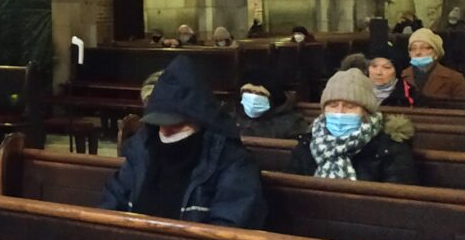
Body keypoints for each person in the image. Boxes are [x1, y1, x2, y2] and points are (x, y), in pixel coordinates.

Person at [100, 56, 265, 227]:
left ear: (201, 121)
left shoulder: (231, 161)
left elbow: (230, 229)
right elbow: (110, 207)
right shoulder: (141, 151)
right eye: (159, 124)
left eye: (176, 125)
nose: (165, 131)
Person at [289, 67, 416, 184]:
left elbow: (399, 195)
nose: (340, 112)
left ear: (366, 112)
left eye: (350, 106)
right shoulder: (307, 144)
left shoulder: (390, 148)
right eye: (333, 106)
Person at [232, 69, 306, 140]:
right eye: (248, 92)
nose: (253, 97)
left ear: (273, 98)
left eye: (260, 93)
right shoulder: (232, 119)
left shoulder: (293, 124)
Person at [401, 28, 465, 102]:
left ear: (436, 54)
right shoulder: (401, 76)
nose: (417, 52)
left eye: (423, 48)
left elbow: (463, 106)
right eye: (413, 48)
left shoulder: (454, 79)